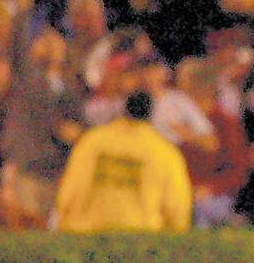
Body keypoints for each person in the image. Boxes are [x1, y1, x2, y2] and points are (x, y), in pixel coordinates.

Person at [53, 91, 193, 233]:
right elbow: (177, 206)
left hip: (88, 234)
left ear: (124, 110)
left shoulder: (93, 141)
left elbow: (69, 189)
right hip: (140, 238)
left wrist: (64, 223)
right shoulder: (164, 152)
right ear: (151, 114)